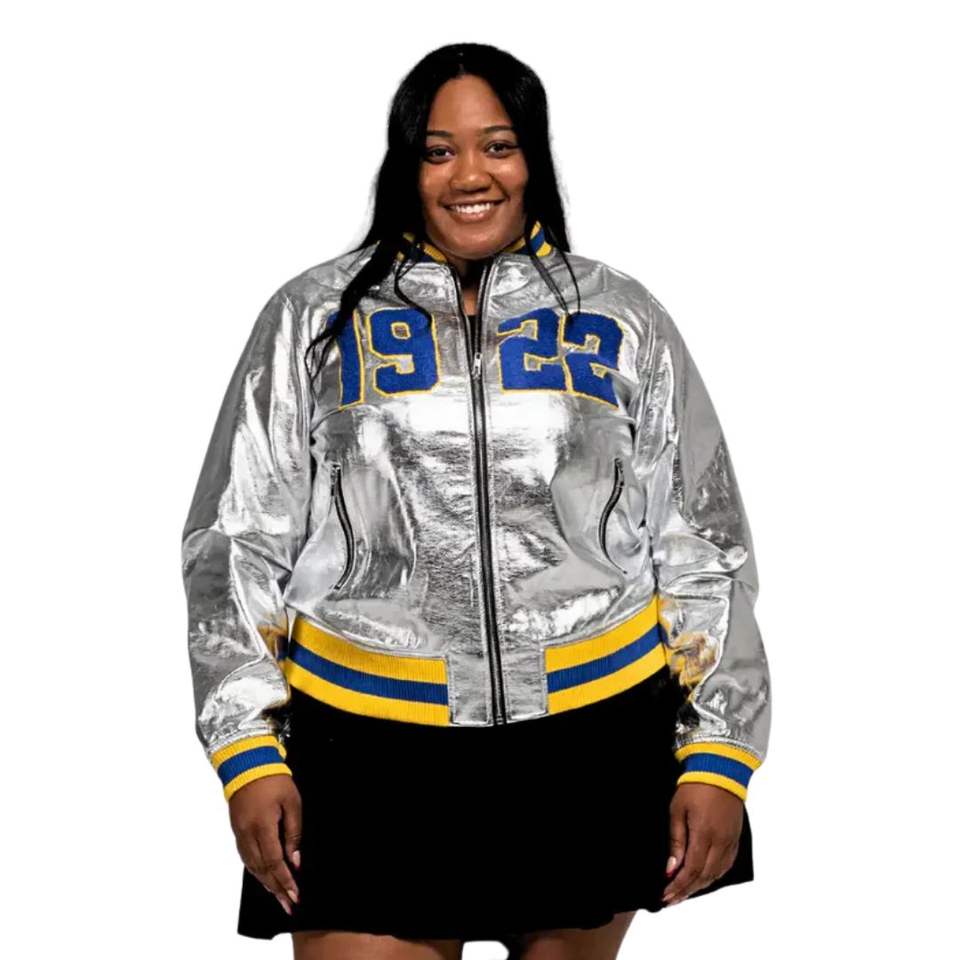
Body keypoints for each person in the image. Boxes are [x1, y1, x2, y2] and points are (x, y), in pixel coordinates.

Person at [180, 42, 771, 960]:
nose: (470, 175)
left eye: (498, 145)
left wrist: (721, 753)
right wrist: (246, 749)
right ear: (405, 165)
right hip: (367, 751)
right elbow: (236, 539)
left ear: (533, 157)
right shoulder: (314, 319)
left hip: (591, 740)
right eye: (438, 150)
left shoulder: (621, 316)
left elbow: (698, 538)